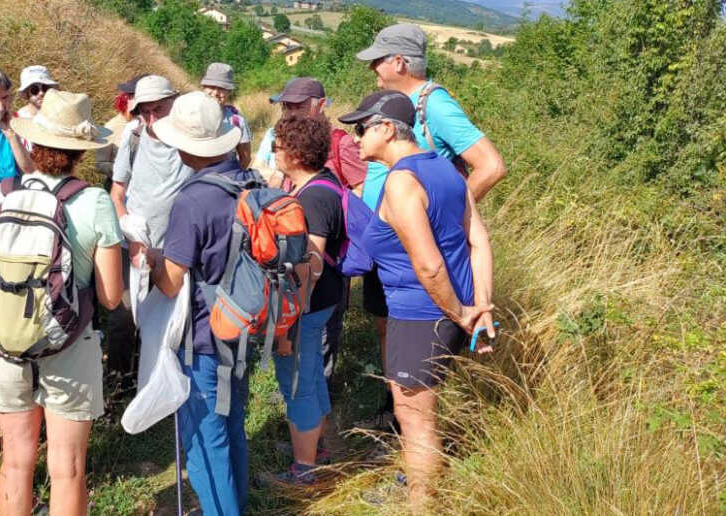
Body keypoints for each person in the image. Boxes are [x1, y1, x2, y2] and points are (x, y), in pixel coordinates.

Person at [338, 90, 495, 509]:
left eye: (361, 129)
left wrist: (463, 312)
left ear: (387, 129)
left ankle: (420, 504)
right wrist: (481, 307)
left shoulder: (401, 183)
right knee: (423, 414)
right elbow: (477, 241)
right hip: (449, 313)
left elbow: (428, 266)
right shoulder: (445, 169)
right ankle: (420, 491)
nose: (355, 139)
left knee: (415, 420)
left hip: (419, 317)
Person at [0, 90, 124, 516]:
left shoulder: (0, 194)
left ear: (34, 143)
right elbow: (111, 296)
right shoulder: (94, 202)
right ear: (80, 152)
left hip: (5, 343)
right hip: (69, 345)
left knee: (16, 463)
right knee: (68, 469)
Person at [147, 91, 251, 516]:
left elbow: (171, 283)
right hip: (244, 326)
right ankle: (236, 504)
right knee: (232, 428)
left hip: (205, 337)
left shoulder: (193, 200)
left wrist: (151, 262)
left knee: (206, 439)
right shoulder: (250, 181)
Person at [264, 115, 346, 486]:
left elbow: (308, 267)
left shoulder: (312, 198)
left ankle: (303, 470)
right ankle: (316, 448)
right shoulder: (324, 184)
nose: (273, 152)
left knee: (298, 383)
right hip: (323, 301)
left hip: (305, 306)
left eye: (278, 147)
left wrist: (285, 325)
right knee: (311, 375)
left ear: (296, 154)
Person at [356, 23, 507, 201]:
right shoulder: (395, 101)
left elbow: (492, 166)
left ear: (398, 63)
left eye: (377, 60)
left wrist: (450, 216)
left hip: (410, 228)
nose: (371, 67)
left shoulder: (435, 104)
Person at [106, 75, 189, 380]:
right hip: (134, 248)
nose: (153, 118)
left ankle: (160, 380)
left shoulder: (190, 140)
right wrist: (134, 238)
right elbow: (117, 193)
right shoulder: (134, 136)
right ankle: (119, 382)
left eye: (160, 109)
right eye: (146, 111)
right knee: (124, 318)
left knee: (168, 319)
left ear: (174, 104)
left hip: (176, 251)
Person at [251, 77, 327, 187]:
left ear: (320, 106)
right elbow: (256, 169)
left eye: (299, 107)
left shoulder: (336, 141)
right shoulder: (273, 134)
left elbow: (357, 189)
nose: (292, 114)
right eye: (288, 107)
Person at [94, 74, 147, 179]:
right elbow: (100, 164)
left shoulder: (156, 127)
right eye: (132, 96)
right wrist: (125, 172)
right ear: (126, 98)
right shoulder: (111, 127)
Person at [200, 62, 252, 168]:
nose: (215, 93)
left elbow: (245, 158)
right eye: (211, 86)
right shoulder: (191, 115)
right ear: (204, 87)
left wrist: (230, 180)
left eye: (221, 88)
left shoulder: (237, 120)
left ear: (229, 91)